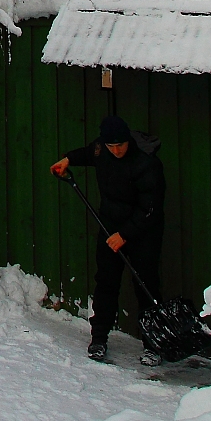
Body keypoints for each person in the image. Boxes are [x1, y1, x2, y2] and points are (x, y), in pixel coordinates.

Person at [51, 114, 165, 362]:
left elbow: (150, 208)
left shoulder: (146, 163)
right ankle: (99, 339)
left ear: (127, 141)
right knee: (106, 282)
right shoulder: (101, 149)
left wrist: (125, 235)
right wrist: (68, 159)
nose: (115, 151)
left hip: (143, 232)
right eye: (111, 146)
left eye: (120, 145)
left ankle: (153, 345)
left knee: (145, 286)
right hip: (110, 225)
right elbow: (88, 153)